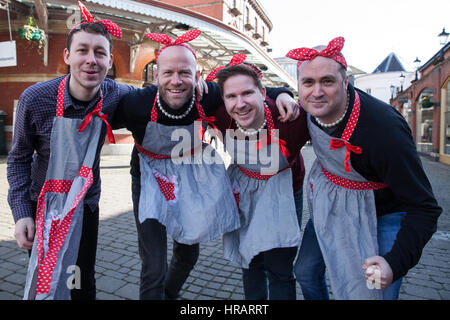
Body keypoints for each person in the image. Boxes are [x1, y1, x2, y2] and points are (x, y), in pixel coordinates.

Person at [112, 31, 299, 300]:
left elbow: (252, 90)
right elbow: (99, 105)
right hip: (149, 178)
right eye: (168, 73)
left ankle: (169, 293)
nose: (176, 81)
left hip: (190, 176)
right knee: (154, 262)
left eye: (185, 73)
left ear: (197, 75)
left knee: (188, 252)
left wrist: (284, 94)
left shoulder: (208, 95)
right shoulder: (135, 104)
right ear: (156, 76)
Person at [286, 37, 442, 300]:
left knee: (374, 290)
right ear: (299, 86)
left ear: (345, 83)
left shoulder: (384, 130)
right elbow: (257, 93)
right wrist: (280, 93)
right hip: (331, 204)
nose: (317, 92)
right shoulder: (306, 109)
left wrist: (394, 263)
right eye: (308, 82)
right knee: (305, 271)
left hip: (384, 214)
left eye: (328, 81)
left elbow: (424, 207)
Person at [7, 2, 132, 299]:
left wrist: (200, 85)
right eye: (82, 50)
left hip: (86, 207)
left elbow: (159, 99)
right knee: (47, 281)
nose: (91, 60)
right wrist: (22, 213)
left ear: (109, 60)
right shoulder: (36, 98)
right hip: (43, 207)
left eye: (99, 52)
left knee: (81, 283)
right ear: (67, 56)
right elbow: (18, 158)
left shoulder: (117, 94)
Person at [211, 58, 309, 300]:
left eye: (247, 93)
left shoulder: (290, 118)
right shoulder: (222, 115)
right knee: (250, 261)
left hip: (283, 191)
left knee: (279, 268)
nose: (240, 103)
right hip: (244, 189)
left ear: (263, 93)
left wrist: (285, 94)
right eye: (231, 96)